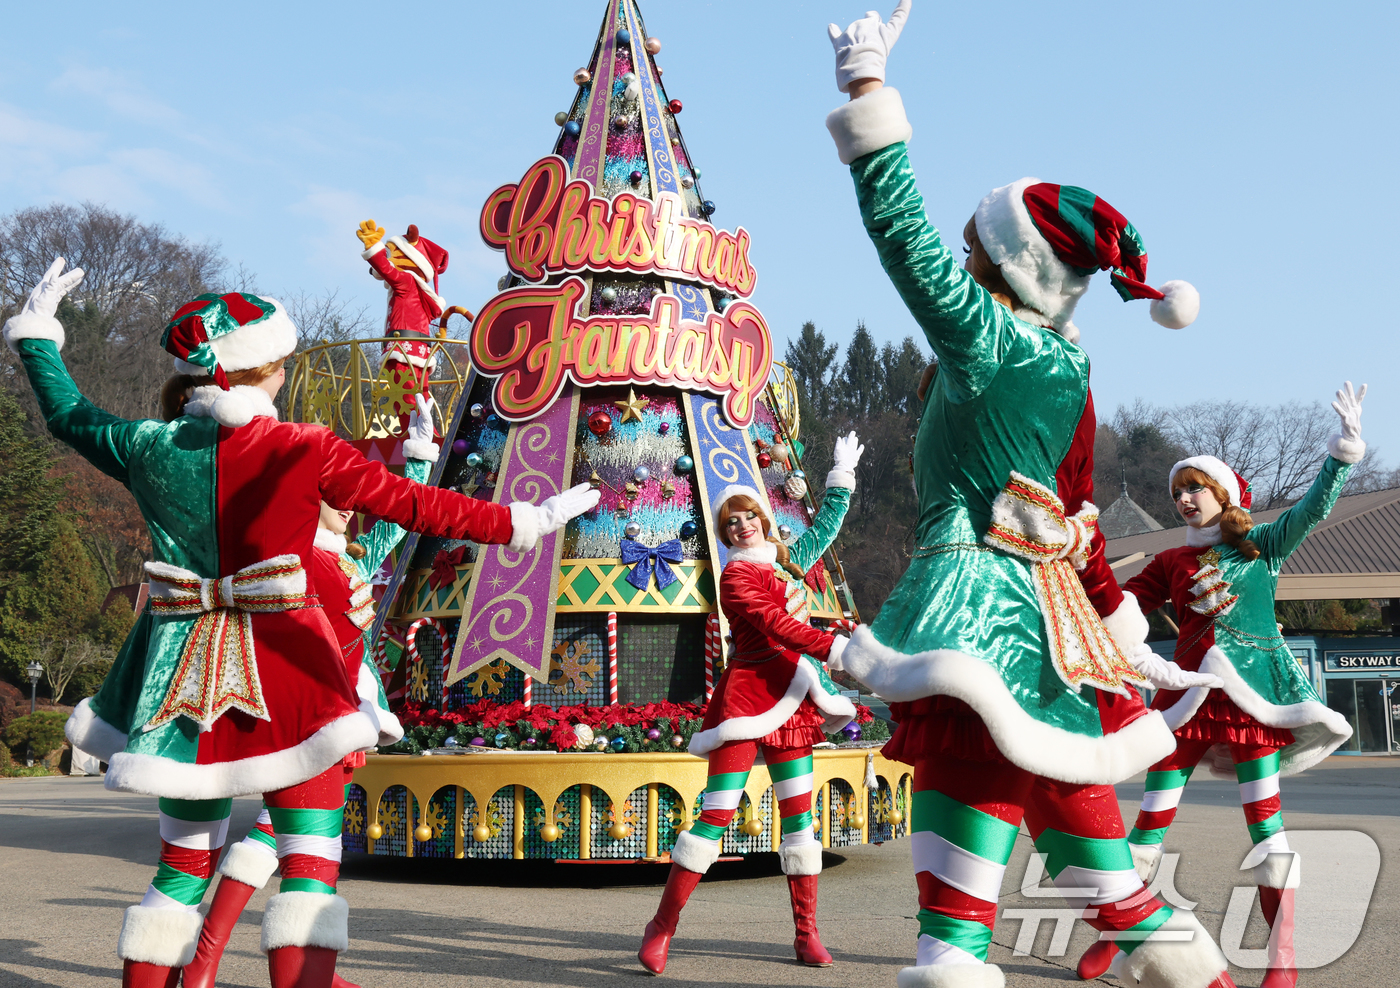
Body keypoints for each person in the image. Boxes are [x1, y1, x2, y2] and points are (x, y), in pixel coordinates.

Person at [7, 259, 598, 988]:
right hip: (291, 673)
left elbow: (68, 416)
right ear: (265, 368)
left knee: (181, 868)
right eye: (282, 363)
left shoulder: (147, 447)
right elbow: (417, 509)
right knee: (310, 870)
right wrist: (525, 519)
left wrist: (38, 338)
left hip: (183, 675)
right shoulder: (304, 447)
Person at [821, 5, 1243, 987]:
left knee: (958, 909)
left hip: (976, 617)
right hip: (1046, 630)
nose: (961, 248)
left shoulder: (990, 338)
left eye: (976, 236)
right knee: (1113, 885)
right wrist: (1109, 613)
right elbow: (1070, 515)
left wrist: (865, 88)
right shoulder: (1066, 369)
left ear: (1006, 259)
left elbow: (899, 237)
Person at [1073, 387, 1364, 987]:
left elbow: (1311, 508)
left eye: (1195, 488)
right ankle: (1119, 936)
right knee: (1146, 830)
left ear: (1223, 495)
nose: (1183, 498)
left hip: (1249, 708)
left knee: (1268, 830)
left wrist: (1342, 453)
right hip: (1182, 704)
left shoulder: (1261, 548)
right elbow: (1116, 611)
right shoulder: (1167, 563)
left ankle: (1281, 960)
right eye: (1178, 490)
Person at [180, 395, 442, 988]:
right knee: (295, 844)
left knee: (275, 836)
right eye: (334, 498)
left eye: (350, 500)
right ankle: (266, 971)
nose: (349, 508)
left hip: (342, 711)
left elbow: (393, 531)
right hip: (310, 717)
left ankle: (211, 962)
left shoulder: (345, 557)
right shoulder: (297, 560)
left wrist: (418, 460)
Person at [637, 433, 863, 974]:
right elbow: (776, 624)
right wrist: (836, 647)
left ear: (763, 517)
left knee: (800, 824)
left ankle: (806, 933)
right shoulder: (736, 576)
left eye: (748, 517)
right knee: (714, 817)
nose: (741, 526)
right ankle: (661, 928)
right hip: (747, 699)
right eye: (730, 522)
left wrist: (841, 479)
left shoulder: (786, 559)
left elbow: (825, 530)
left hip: (794, 703)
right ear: (724, 533)